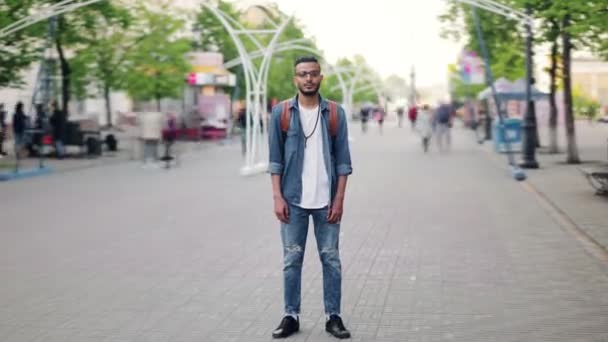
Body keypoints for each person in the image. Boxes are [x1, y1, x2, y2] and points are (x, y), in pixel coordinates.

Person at [268, 56, 353, 339]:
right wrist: (277, 197)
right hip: (293, 200)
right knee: (292, 260)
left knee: (331, 259)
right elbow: (275, 160)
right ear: (295, 78)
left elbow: (343, 162)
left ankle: (334, 317)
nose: (308, 79)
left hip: (326, 201)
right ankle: (291, 315)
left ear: (320, 78)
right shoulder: (281, 113)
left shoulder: (334, 113)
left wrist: (339, 200)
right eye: (303, 74)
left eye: (313, 74)